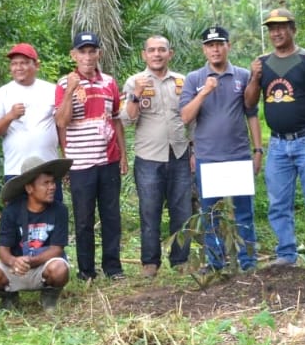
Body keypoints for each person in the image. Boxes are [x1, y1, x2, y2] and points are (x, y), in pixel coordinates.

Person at [244, 8, 305, 268]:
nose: (276, 32)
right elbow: (249, 103)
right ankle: (286, 254)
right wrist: (255, 77)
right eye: (272, 28)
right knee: (278, 200)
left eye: (282, 27)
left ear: (293, 29)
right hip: (278, 145)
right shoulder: (262, 62)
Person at [179, 26, 263, 271]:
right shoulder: (194, 79)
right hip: (209, 157)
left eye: (219, 44)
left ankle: (248, 261)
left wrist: (258, 150)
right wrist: (204, 92)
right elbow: (185, 116)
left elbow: (252, 113)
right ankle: (216, 261)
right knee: (211, 214)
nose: (215, 49)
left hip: (237, 155)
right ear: (204, 49)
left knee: (244, 213)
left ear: (228, 46)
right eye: (210, 45)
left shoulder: (242, 75)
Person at [55, 32, 128, 280]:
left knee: (111, 216)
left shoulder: (109, 82)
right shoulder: (65, 84)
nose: (87, 56)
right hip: (80, 164)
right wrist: (71, 91)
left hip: (109, 161)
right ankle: (86, 271)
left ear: (99, 53)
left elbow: (116, 120)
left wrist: (124, 156)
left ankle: (113, 267)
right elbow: (61, 122)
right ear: (73, 55)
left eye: (91, 51)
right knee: (84, 219)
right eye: (82, 52)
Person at [122, 36, 192, 276]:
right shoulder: (134, 82)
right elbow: (128, 119)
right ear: (144, 55)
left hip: (180, 153)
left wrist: (194, 150)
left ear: (169, 54)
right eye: (152, 50)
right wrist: (136, 95)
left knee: (182, 210)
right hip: (149, 157)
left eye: (161, 50)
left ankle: (180, 260)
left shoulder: (182, 81)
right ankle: (150, 263)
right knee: (149, 211)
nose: (157, 54)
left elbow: (190, 118)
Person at [0, 156, 74, 311]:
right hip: (16, 268)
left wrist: (31, 261)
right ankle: (9, 298)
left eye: (52, 182)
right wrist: (13, 262)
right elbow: (2, 249)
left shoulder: (60, 210)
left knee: (60, 269)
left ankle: (49, 296)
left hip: (44, 266)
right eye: (46, 183)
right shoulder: (12, 211)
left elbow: (57, 249)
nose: (52, 187)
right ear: (29, 188)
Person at [0, 43, 60, 198]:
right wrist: (10, 116)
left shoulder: (51, 90)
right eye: (14, 63)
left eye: (24, 63)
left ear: (36, 65)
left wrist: (66, 158)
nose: (18, 67)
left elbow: (62, 125)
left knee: (52, 218)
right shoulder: (2, 93)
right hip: (16, 171)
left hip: (48, 168)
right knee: (18, 218)